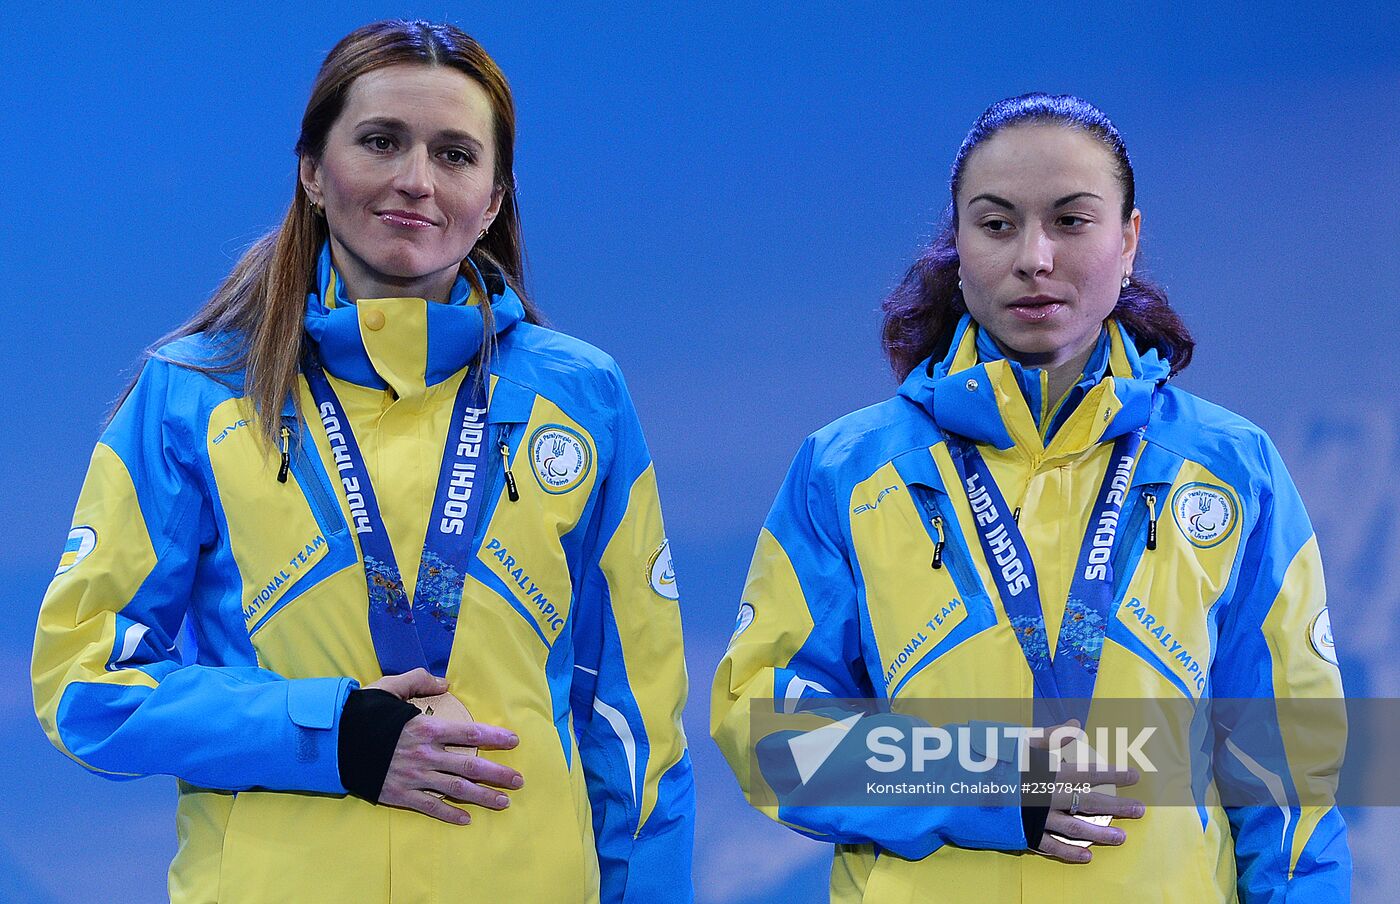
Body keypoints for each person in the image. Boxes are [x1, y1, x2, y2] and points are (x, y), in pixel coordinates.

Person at [32, 20, 692, 904]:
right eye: (381, 141)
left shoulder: (584, 396)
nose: (416, 181)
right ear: (312, 169)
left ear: (495, 198)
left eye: (456, 155)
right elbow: (83, 685)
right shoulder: (193, 392)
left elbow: (634, 725)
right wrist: (326, 734)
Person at [711, 93, 1348, 902]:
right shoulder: (847, 470)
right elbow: (766, 733)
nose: (1034, 258)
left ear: (1129, 240)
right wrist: (986, 779)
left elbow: (1293, 777)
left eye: (1072, 221)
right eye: (998, 224)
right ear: (958, 244)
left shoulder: (1234, 469)